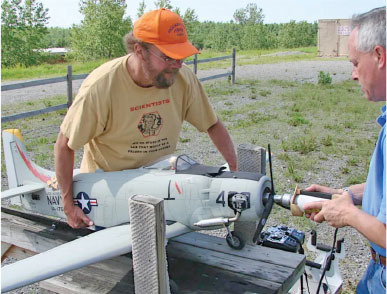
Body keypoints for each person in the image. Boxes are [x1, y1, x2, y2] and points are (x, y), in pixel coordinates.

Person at [54, 8, 237, 229]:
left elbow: (212, 124)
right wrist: (68, 206)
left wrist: (236, 172)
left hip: (158, 187)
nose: (177, 65)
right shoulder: (101, 86)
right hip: (109, 195)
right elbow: (64, 145)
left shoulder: (183, 78)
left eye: (181, 57)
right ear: (139, 50)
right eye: (168, 57)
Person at [303, 7, 386, 293]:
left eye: (355, 63)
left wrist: (348, 214)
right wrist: (346, 195)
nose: (353, 75)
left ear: (379, 56)